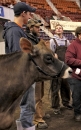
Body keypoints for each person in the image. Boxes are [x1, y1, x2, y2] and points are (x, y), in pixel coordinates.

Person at [2, 2, 36, 130]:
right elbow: (20, 57)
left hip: (22, 75)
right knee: (28, 105)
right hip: (23, 76)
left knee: (27, 105)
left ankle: (23, 127)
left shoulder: (16, 30)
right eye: (29, 14)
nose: (30, 17)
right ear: (23, 13)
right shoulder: (15, 31)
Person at [25, 19, 50, 129]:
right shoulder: (28, 40)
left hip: (39, 71)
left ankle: (40, 113)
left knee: (40, 95)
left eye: (39, 27)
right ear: (30, 28)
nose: (39, 29)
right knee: (36, 96)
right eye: (37, 27)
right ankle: (37, 119)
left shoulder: (36, 39)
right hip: (33, 72)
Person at [49, 24, 73, 115]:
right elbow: (51, 53)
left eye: (60, 28)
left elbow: (69, 53)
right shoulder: (52, 41)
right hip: (56, 67)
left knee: (65, 86)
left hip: (65, 67)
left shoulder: (67, 41)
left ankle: (66, 102)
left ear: (62, 30)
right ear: (55, 31)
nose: (59, 29)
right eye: (57, 28)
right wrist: (53, 56)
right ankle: (55, 106)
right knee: (55, 87)